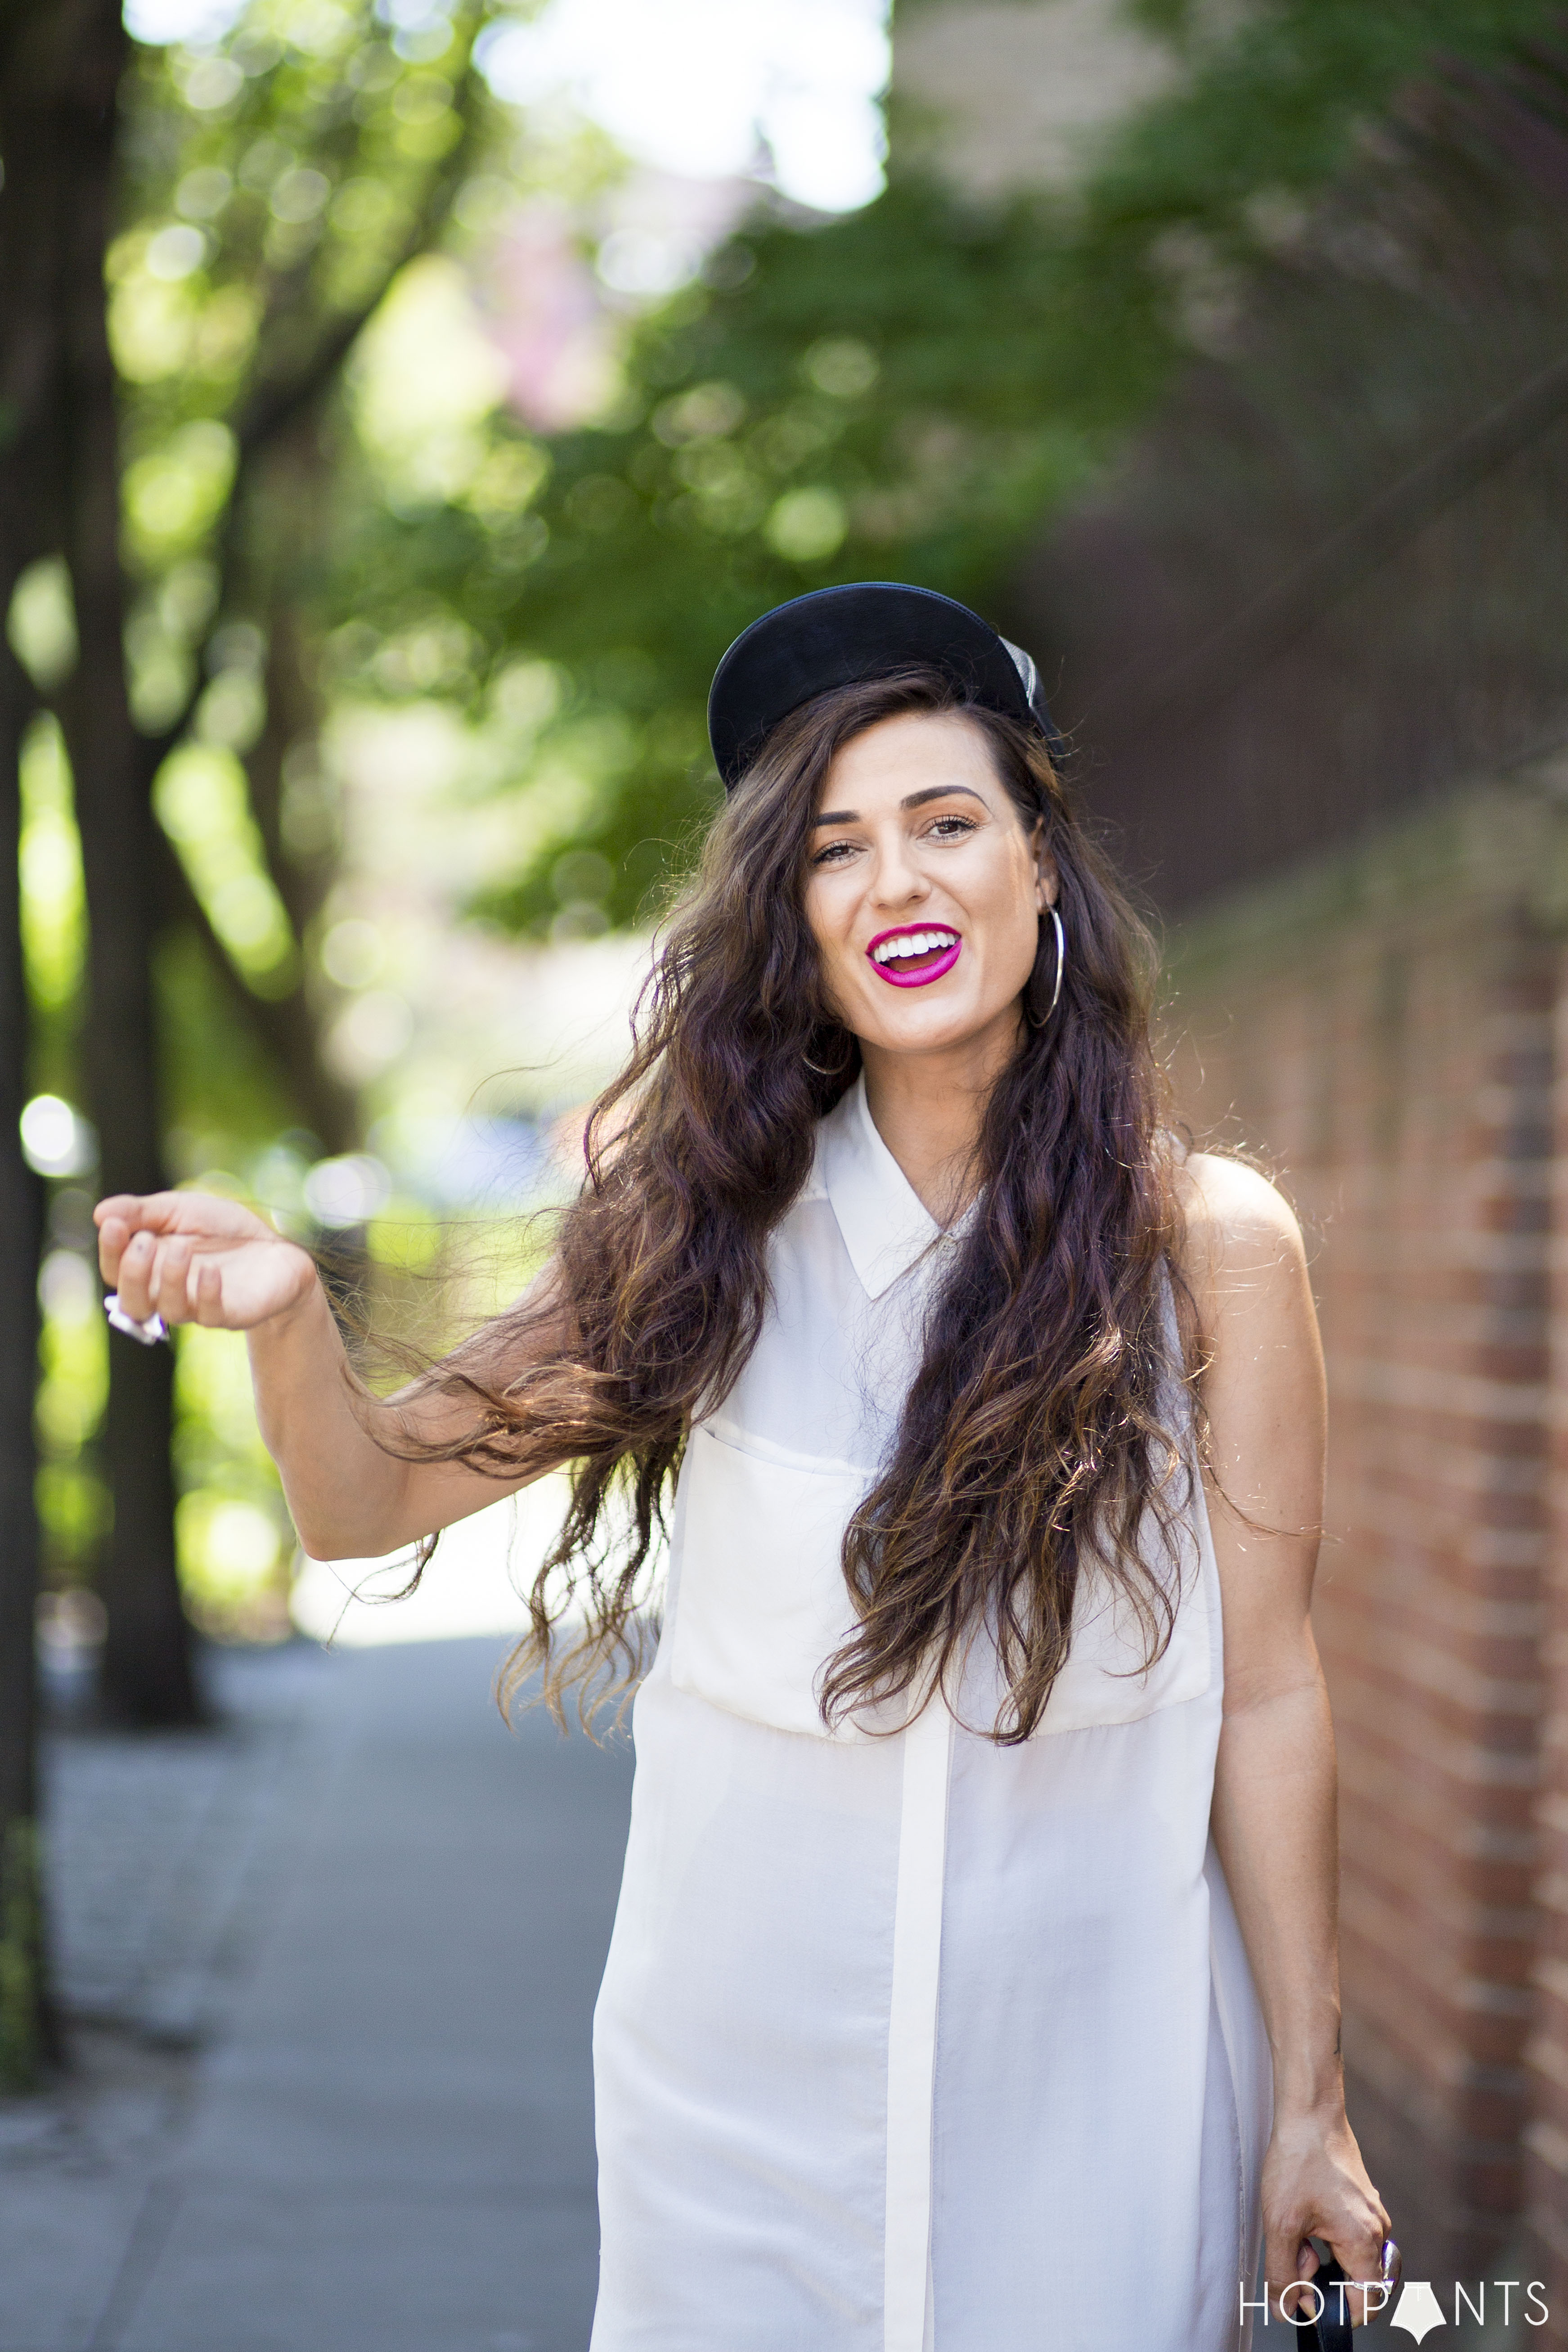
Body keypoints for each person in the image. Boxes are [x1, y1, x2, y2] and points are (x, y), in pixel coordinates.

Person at [96, 583, 1393, 2350]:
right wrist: (281, 1318)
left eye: (947, 822)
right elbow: (365, 1500)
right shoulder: (702, 1240)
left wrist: (1307, 2098)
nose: (894, 878)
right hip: (740, 2118)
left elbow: (1267, 1690)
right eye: (833, 847)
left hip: (1106, 2086)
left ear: (1040, 870)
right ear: (796, 919)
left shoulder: (1210, 1246)